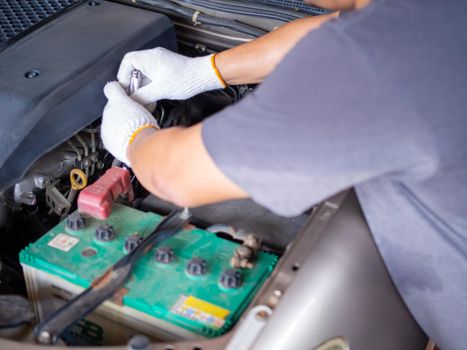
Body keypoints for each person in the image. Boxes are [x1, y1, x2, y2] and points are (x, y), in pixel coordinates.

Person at [101, 0, 467, 349]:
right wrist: (203, 72)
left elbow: (174, 175)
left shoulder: (377, 64)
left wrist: (134, 137)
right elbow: (331, 33)